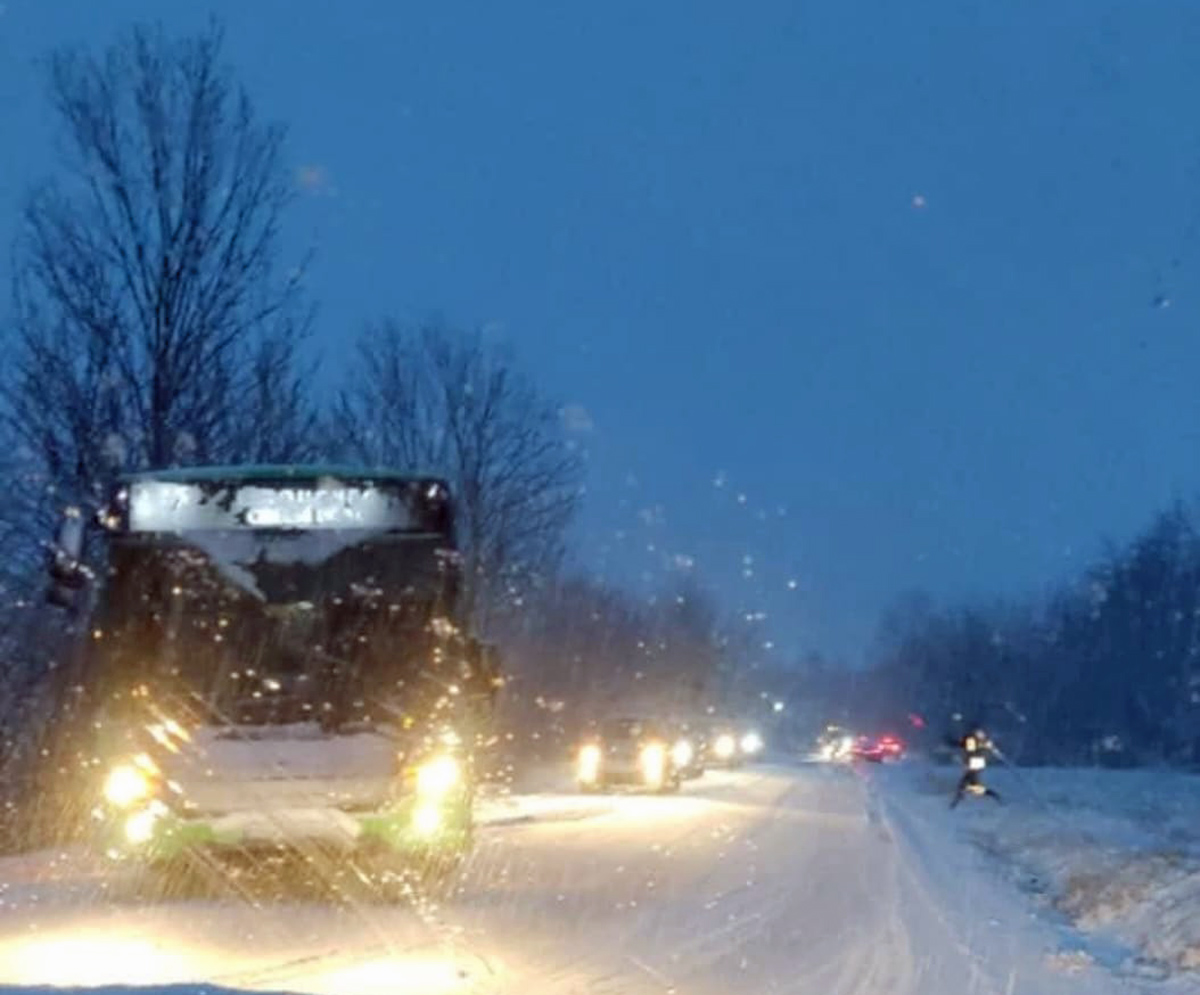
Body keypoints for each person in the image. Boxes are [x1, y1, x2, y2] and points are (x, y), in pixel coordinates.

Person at [950, 723, 1001, 808]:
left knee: (966, 783)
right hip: (976, 763)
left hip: (974, 763)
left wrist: (954, 742)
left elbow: (969, 748)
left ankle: (956, 801)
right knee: (971, 784)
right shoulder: (979, 738)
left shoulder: (972, 739)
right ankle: (992, 795)